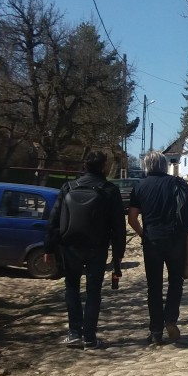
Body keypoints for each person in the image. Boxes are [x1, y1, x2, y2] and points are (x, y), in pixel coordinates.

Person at [45, 150, 125, 350]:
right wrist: (118, 254)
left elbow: (54, 219)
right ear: (103, 166)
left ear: (84, 166)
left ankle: (74, 333)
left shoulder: (68, 187)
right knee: (93, 292)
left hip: (70, 246)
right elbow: (118, 225)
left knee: (71, 288)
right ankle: (89, 337)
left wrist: (49, 248)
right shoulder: (109, 190)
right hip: (97, 248)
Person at [128, 151, 188, 345]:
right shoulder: (177, 182)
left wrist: (143, 233)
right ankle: (170, 319)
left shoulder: (140, 186)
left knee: (154, 286)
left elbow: (132, 218)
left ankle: (156, 330)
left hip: (152, 241)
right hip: (176, 239)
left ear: (147, 166)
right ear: (164, 165)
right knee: (176, 281)